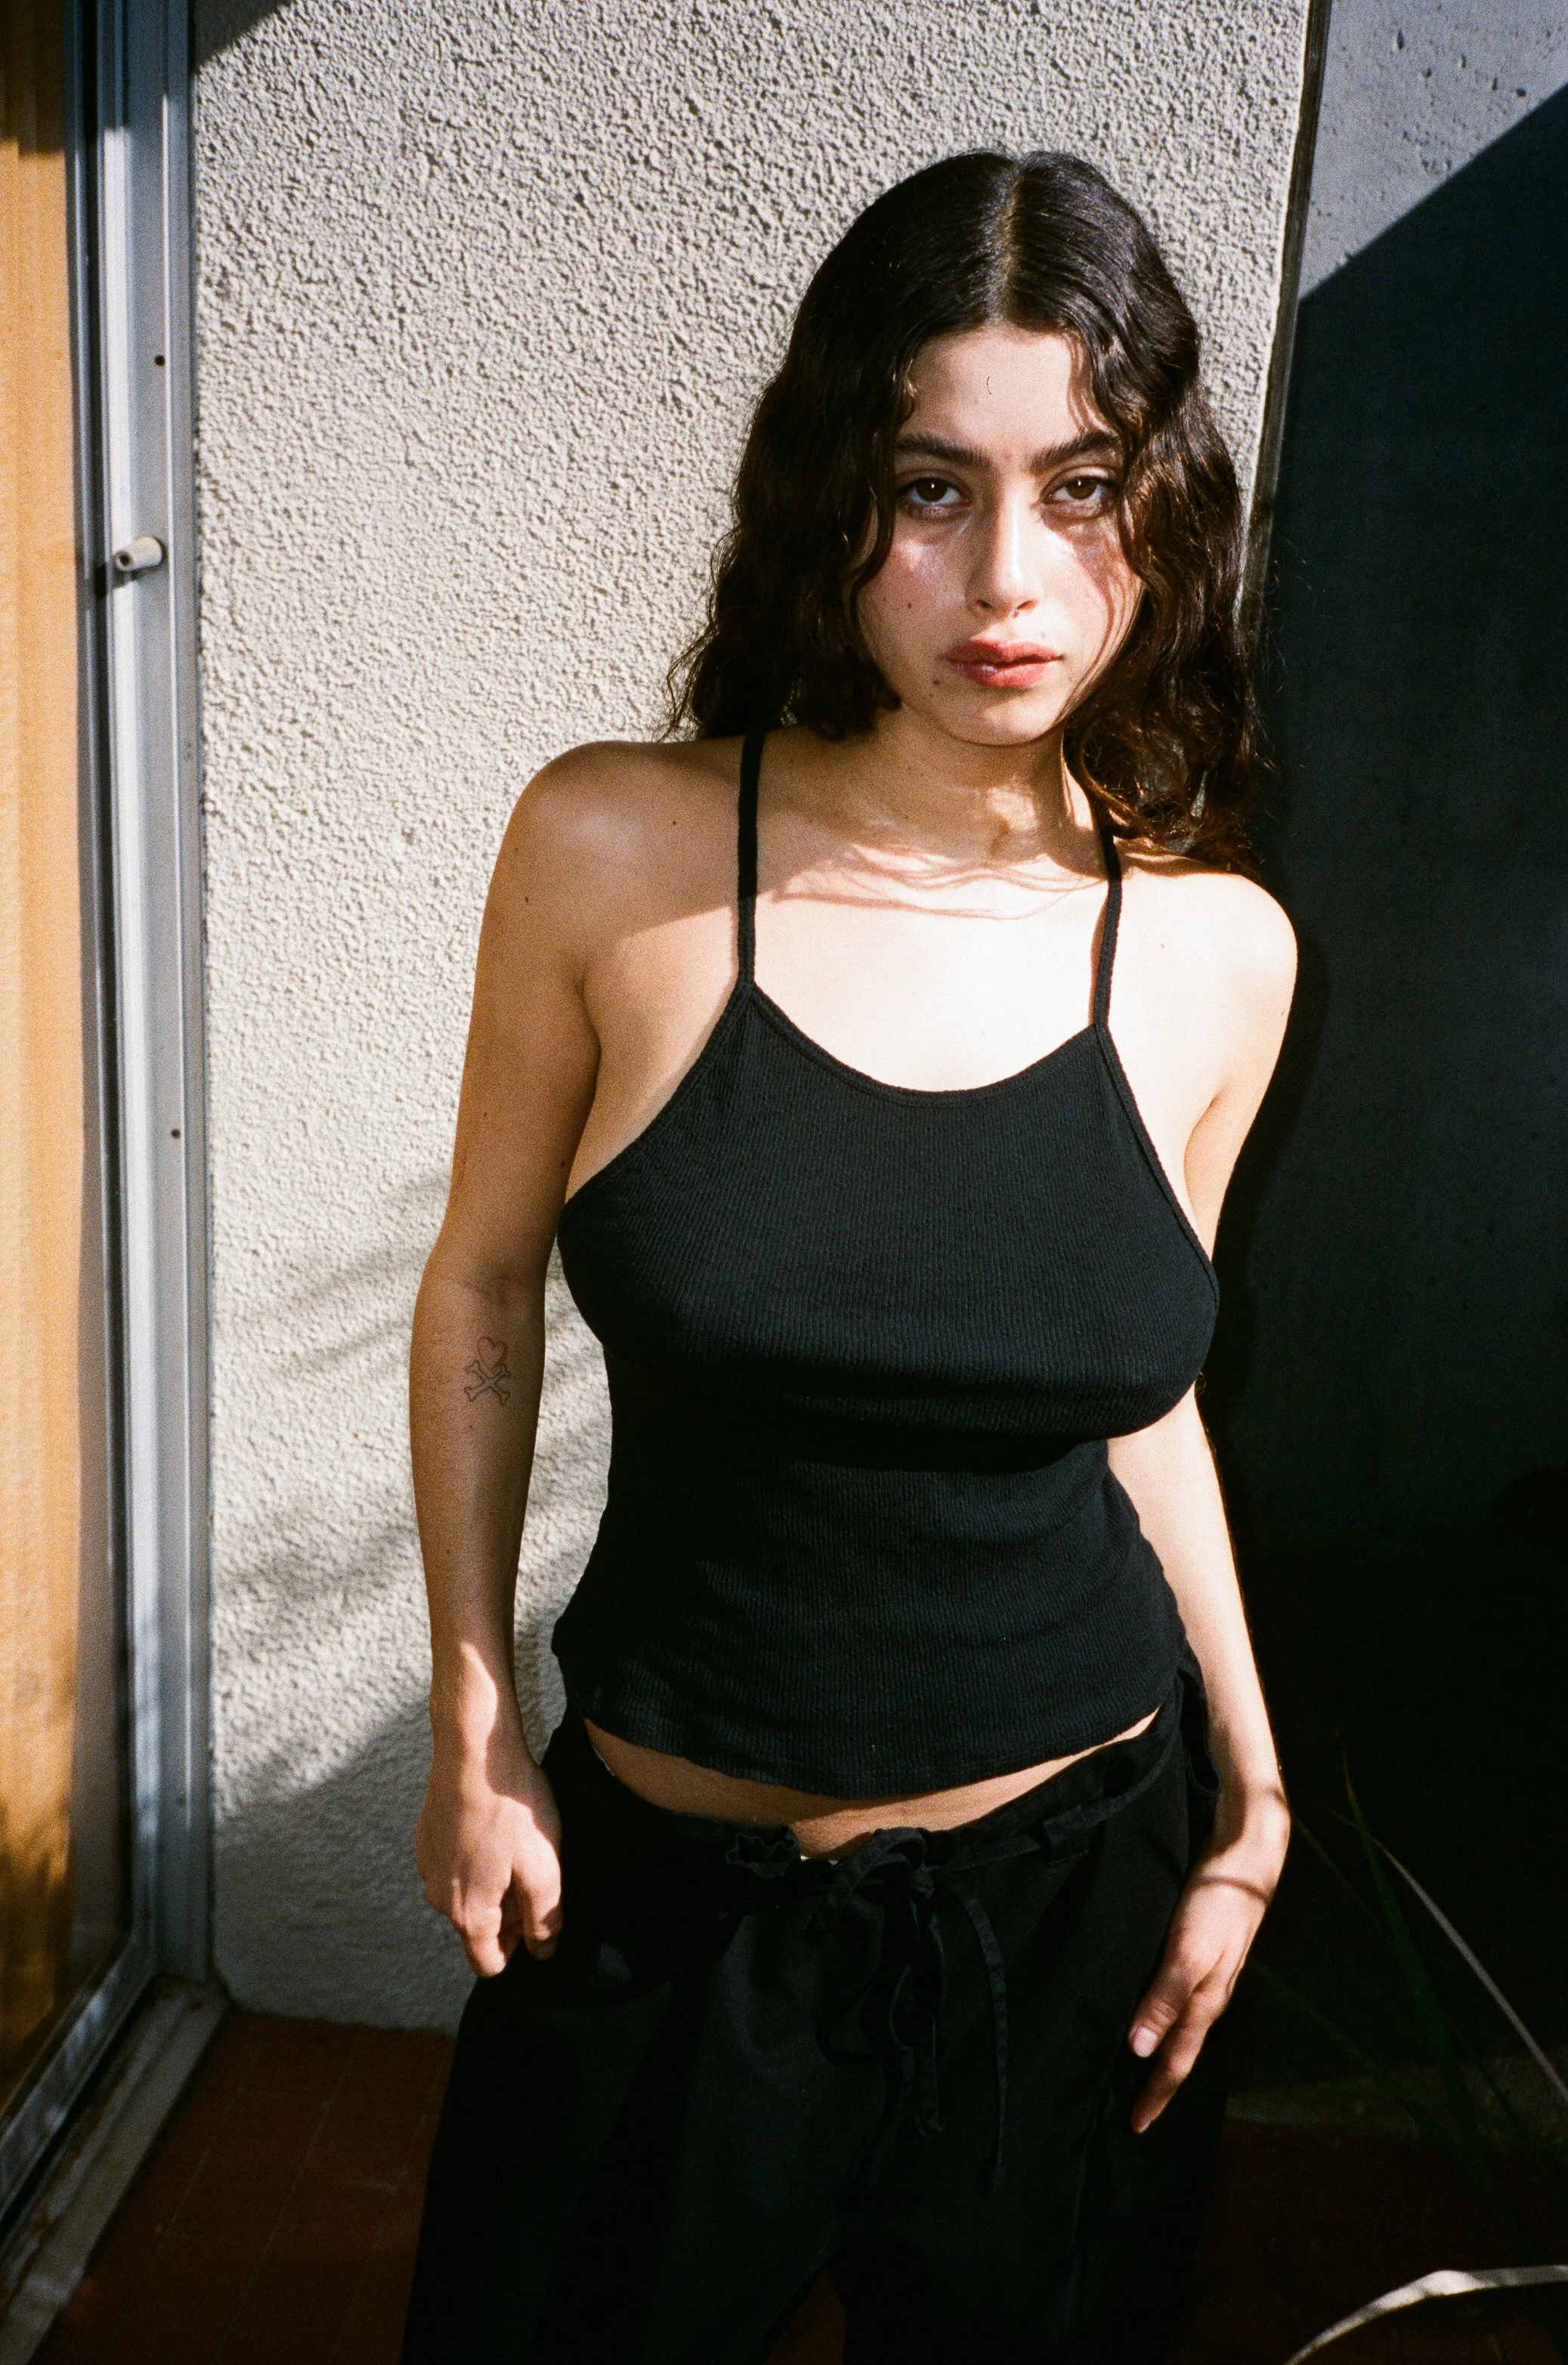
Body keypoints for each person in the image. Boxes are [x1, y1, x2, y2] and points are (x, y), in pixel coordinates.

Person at [401, 147, 1294, 2363]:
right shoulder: (617, 850)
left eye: (1084, 485)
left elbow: (1144, 1396)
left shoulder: (1209, 955)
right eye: (932, 485)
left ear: (1165, 510)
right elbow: (483, 1291)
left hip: (1071, 1904)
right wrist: (476, 1718)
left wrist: (1254, 1806)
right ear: (832, 499)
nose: (1010, 573)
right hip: (672, 1898)